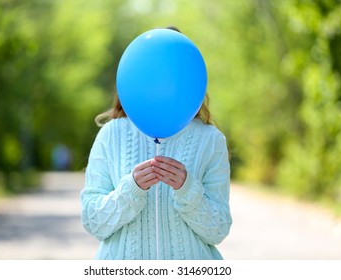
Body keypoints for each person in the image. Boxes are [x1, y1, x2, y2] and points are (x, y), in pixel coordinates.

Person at [80, 27, 232, 260]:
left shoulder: (210, 140)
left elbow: (219, 229)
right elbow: (93, 221)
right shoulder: (112, 134)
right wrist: (130, 189)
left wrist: (188, 189)